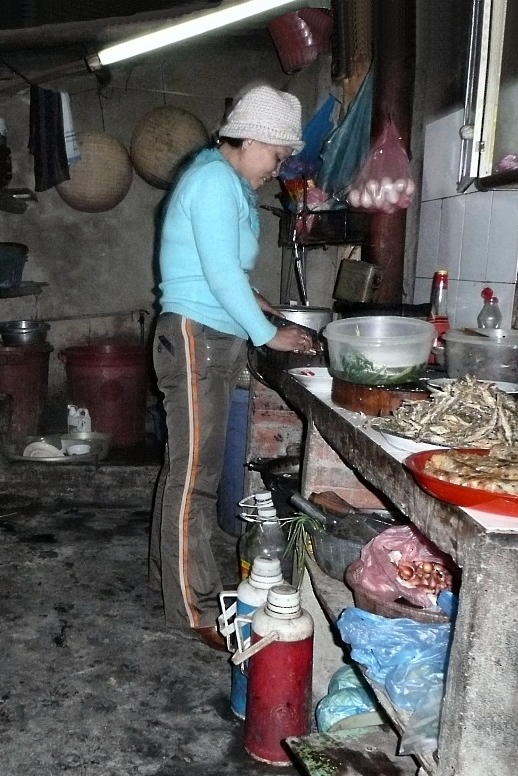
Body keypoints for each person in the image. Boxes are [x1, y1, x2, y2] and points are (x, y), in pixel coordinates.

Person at [149, 85, 316, 650]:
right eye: (276, 153)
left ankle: (174, 583)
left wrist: (262, 306)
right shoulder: (215, 182)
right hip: (197, 338)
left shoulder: (225, 181)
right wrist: (271, 333)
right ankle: (192, 610)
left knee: (189, 473)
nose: (279, 166)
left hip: (210, 336)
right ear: (249, 140)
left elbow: (218, 271)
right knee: (193, 480)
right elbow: (217, 277)